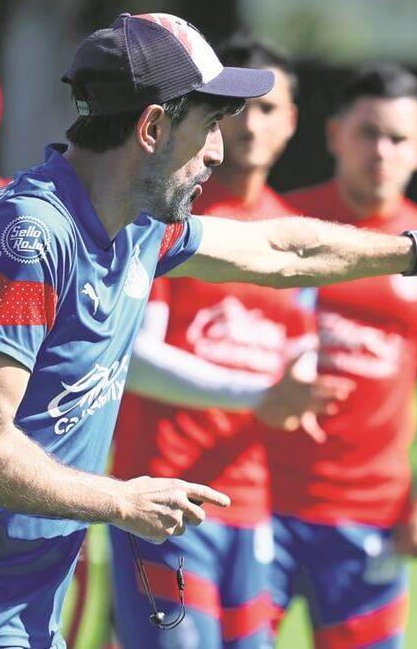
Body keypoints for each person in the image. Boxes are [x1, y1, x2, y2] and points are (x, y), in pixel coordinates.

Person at [0, 12, 417, 648]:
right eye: (209, 124)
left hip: (17, 608)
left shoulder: (138, 226)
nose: (220, 150)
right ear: (152, 128)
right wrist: (120, 499)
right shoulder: (24, 242)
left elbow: (279, 251)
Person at [108, 35, 351, 649]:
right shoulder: (167, 212)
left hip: (248, 506)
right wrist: (260, 393)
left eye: (268, 108)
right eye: (232, 110)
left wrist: (301, 394)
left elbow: (296, 370)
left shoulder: (289, 236)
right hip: (162, 497)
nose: (248, 126)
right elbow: (133, 358)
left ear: (293, 121)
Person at [263, 65, 417, 648]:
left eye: (398, 138)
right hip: (262, 499)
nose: (381, 152)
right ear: (335, 135)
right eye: (367, 133)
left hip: (372, 512)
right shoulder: (280, 225)